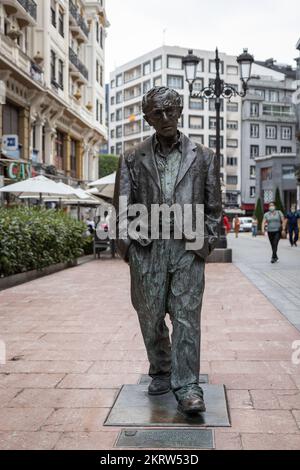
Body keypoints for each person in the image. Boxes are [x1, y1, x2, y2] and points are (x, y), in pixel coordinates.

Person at [113, 86, 222, 415]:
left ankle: (188, 384)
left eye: (171, 110)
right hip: (147, 248)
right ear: (147, 118)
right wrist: (128, 248)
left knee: (187, 319)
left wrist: (204, 245)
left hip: (188, 248)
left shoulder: (203, 156)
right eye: (158, 113)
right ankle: (161, 369)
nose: (166, 118)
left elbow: (214, 207)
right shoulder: (132, 157)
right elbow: (121, 206)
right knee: (150, 317)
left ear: (180, 111)